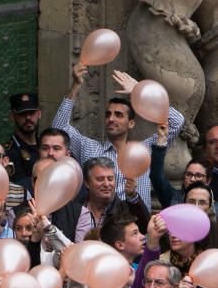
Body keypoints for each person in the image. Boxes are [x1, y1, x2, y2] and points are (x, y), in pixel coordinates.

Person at [53, 65, 184, 206]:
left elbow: (177, 121)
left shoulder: (144, 151)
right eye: (108, 114)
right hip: (99, 225)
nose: (111, 119)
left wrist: (139, 91)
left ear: (131, 123)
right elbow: (59, 129)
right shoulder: (88, 148)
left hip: (136, 223)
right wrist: (76, 86)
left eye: (119, 115)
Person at [73, 158, 149, 243]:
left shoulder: (123, 210)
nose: (106, 184)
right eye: (100, 179)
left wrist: (132, 196)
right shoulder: (74, 209)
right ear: (87, 183)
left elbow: (145, 226)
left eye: (110, 179)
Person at [4, 92, 41, 182]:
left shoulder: (45, 143)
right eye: (22, 114)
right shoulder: (10, 151)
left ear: (39, 114)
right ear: (12, 116)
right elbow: (20, 186)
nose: (28, 117)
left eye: (31, 113)